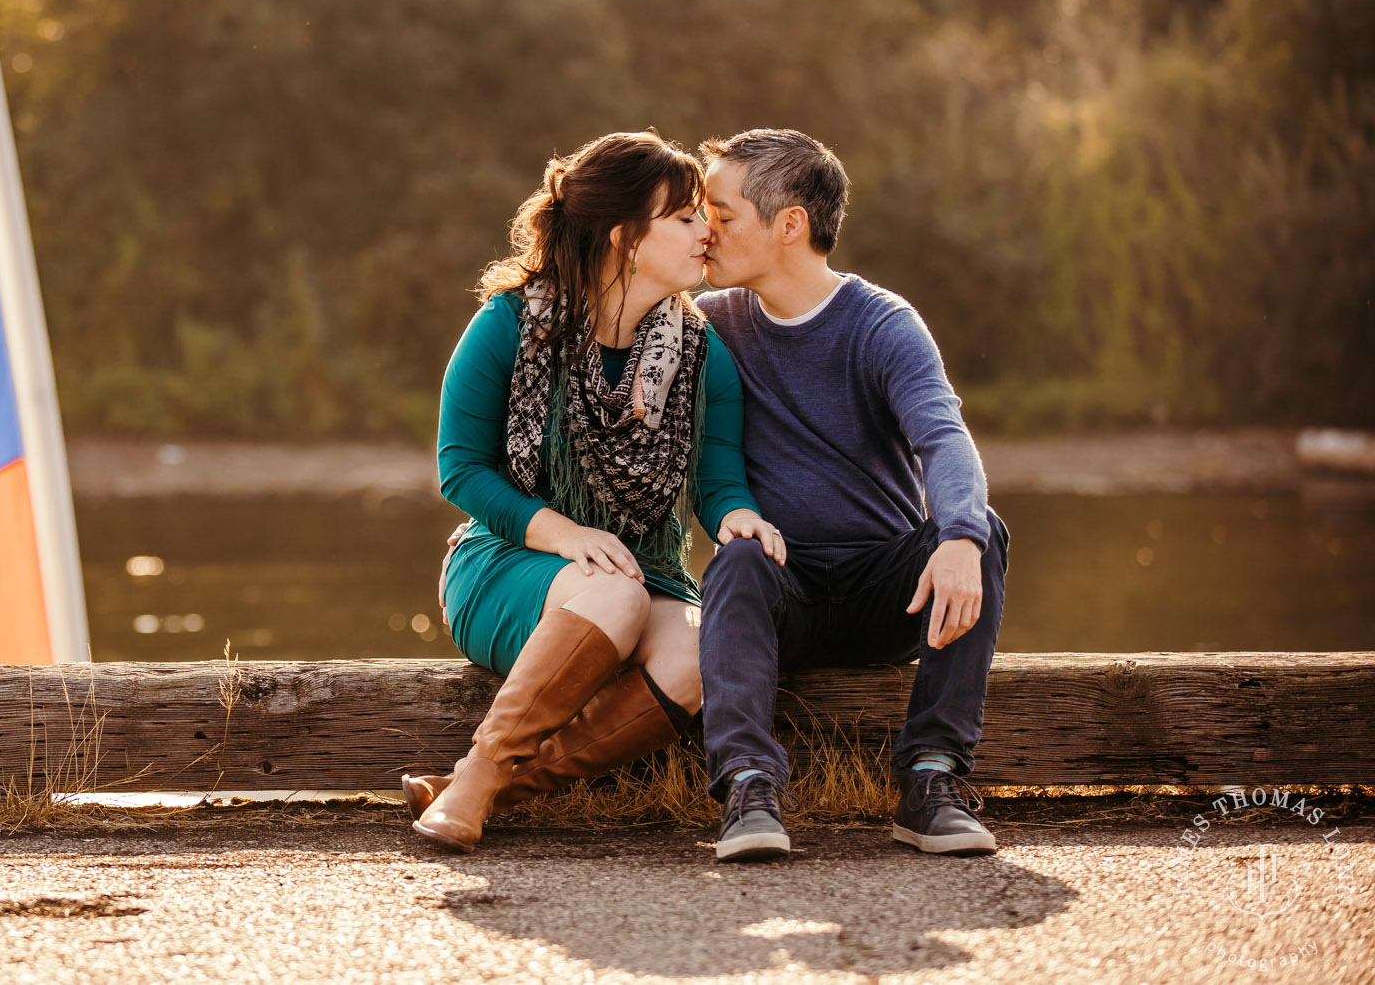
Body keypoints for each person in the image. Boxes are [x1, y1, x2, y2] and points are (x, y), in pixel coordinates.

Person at [405, 131, 781, 853]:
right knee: (612, 590)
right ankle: (483, 772)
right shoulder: (510, 325)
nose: (708, 230)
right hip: (511, 566)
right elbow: (461, 470)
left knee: (702, 651)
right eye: (684, 217)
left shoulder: (704, 356)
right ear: (625, 236)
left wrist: (741, 519)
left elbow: (720, 481)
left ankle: (490, 784)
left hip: (647, 571)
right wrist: (568, 536)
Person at [692, 128, 1010, 861]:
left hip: (887, 596)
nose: (707, 230)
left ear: (790, 224)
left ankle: (931, 781)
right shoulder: (713, 325)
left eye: (724, 213)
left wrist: (959, 535)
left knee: (982, 527)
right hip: (783, 589)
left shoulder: (882, 324)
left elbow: (944, 437)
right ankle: (747, 786)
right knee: (737, 555)